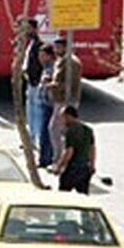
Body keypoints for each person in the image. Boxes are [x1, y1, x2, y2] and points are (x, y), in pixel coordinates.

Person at [47, 38, 83, 154]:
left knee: (56, 129)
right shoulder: (61, 60)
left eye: (58, 47)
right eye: (55, 47)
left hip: (67, 100)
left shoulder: (71, 62)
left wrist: (52, 85)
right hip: (60, 99)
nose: (55, 50)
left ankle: (60, 157)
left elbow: (69, 83)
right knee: (58, 129)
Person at [53, 106, 95, 194]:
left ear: (69, 116)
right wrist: (92, 165)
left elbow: (68, 152)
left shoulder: (70, 131)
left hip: (72, 168)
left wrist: (59, 166)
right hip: (84, 168)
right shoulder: (88, 130)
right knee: (83, 197)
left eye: (62, 117)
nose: (61, 121)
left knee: (63, 195)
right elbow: (92, 149)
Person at [23, 19, 45, 147]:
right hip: (30, 81)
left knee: (36, 111)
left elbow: (40, 64)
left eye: (29, 28)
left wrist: (37, 79)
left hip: (35, 82)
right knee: (29, 111)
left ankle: (34, 138)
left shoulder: (38, 45)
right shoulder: (30, 44)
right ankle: (30, 137)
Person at [37, 44, 57, 167]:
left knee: (47, 133)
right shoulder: (46, 67)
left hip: (50, 104)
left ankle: (46, 159)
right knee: (44, 132)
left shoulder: (53, 68)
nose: (40, 58)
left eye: (43, 55)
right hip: (44, 102)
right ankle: (44, 157)